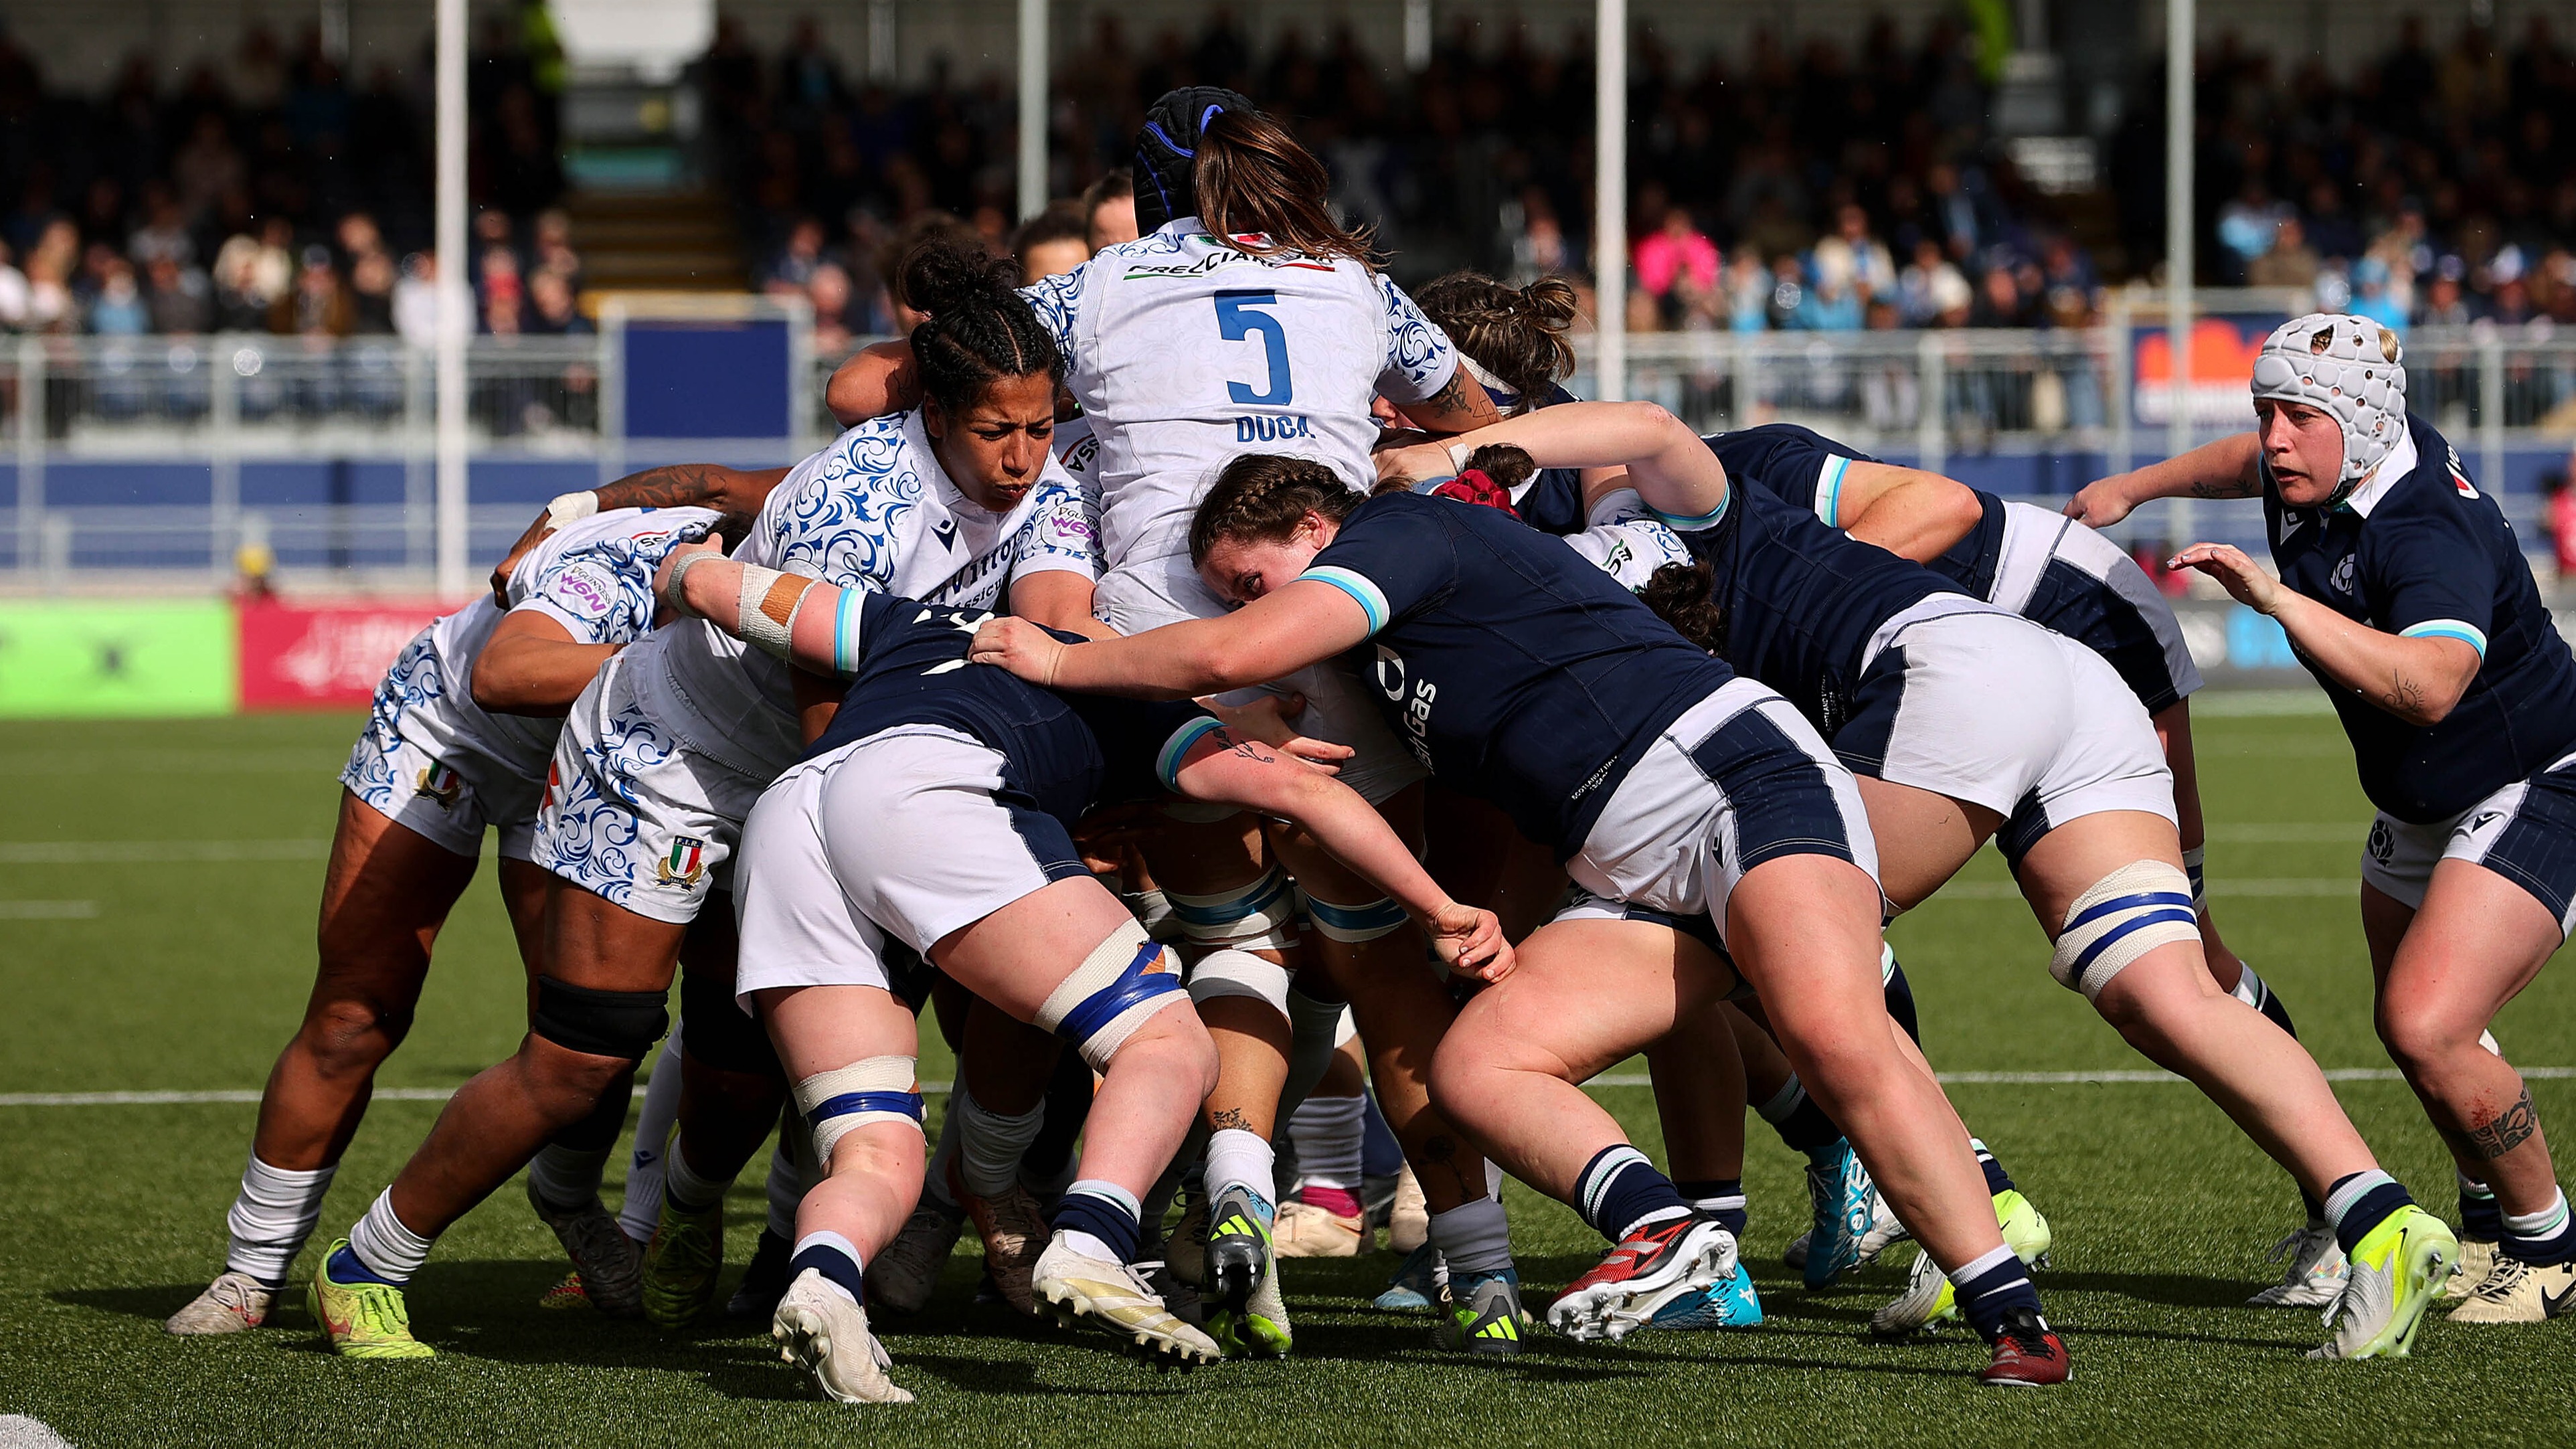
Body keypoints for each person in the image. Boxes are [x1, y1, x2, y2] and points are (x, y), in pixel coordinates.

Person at [1385, 398, 2460, 1363]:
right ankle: (2383, 1220)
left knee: (1787, 955)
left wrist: (1453, 453)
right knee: (2158, 989)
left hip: (1943, 674)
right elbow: (1647, 439)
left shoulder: (1626, 521)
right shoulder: (1670, 506)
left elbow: (1656, 438)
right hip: (2054, 674)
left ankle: (1975, 1207)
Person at [968, 448, 2073, 1386]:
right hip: (1623, 863)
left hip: (1729, 779)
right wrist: (1494, 914)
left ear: (1315, 527)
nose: (1251, 607)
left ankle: (2010, 1316)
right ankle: (1664, 1234)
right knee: (1478, 1067)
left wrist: (1065, 658)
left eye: (1251, 580)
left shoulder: (1402, 531)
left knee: (1828, 1028)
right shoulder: (1382, 640)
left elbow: (1225, 655)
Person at [303, 239, 1104, 1359]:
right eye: (995, 433)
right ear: (933, 415)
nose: (1024, 457)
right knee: (584, 1052)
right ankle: (367, 1263)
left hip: (820, 770)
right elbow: (837, 728)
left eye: (1037, 426)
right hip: (666, 757)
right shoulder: (856, 504)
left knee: (740, 1059)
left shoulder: (1048, 487)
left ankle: (684, 1211)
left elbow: (1053, 643)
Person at [826, 89, 1507, 1359]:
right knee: (1368, 962)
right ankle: (1474, 1266)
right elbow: (1477, 420)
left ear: (1146, 194)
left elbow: (865, 382)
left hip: (1146, 650)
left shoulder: (1098, 287)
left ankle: (1019, 1205)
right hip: (1334, 620)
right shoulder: (1354, 286)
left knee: (1181, 942)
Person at [650, 549, 1508, 1397]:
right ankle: (1093, 1240)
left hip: (790, 813)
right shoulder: (1135, 696)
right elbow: (1307, 796)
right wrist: (1442, 908)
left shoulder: (907, 620)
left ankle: (826, 1283)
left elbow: (710, 583)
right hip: (928, 787)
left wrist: (673, 562)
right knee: (1169, 1043)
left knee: (874, 1146)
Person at [2071, 313, 2576, 1325]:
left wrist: (2276, 600)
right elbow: (2239, 462)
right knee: (2423, 1031)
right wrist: (2139, 487)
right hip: (2420, 798)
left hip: (2534, 779)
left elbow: (2432, 685)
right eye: (2266, 412)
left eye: (2296, 416)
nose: (2272, 439)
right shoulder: (2330, 457)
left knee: (2426, 1025)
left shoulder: (2424, 526)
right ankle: (2481, 1231)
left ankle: (2551, 1248)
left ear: (2355, 421)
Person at [162, 502, 727, 1338]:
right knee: (359, 1008)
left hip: (593, 763)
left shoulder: (812, 554)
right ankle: (252, 1269)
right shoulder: (625, 562)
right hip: (450, 729)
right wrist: (672, 657)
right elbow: (502, 673)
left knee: (586, 1039)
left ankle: (569, 1202)